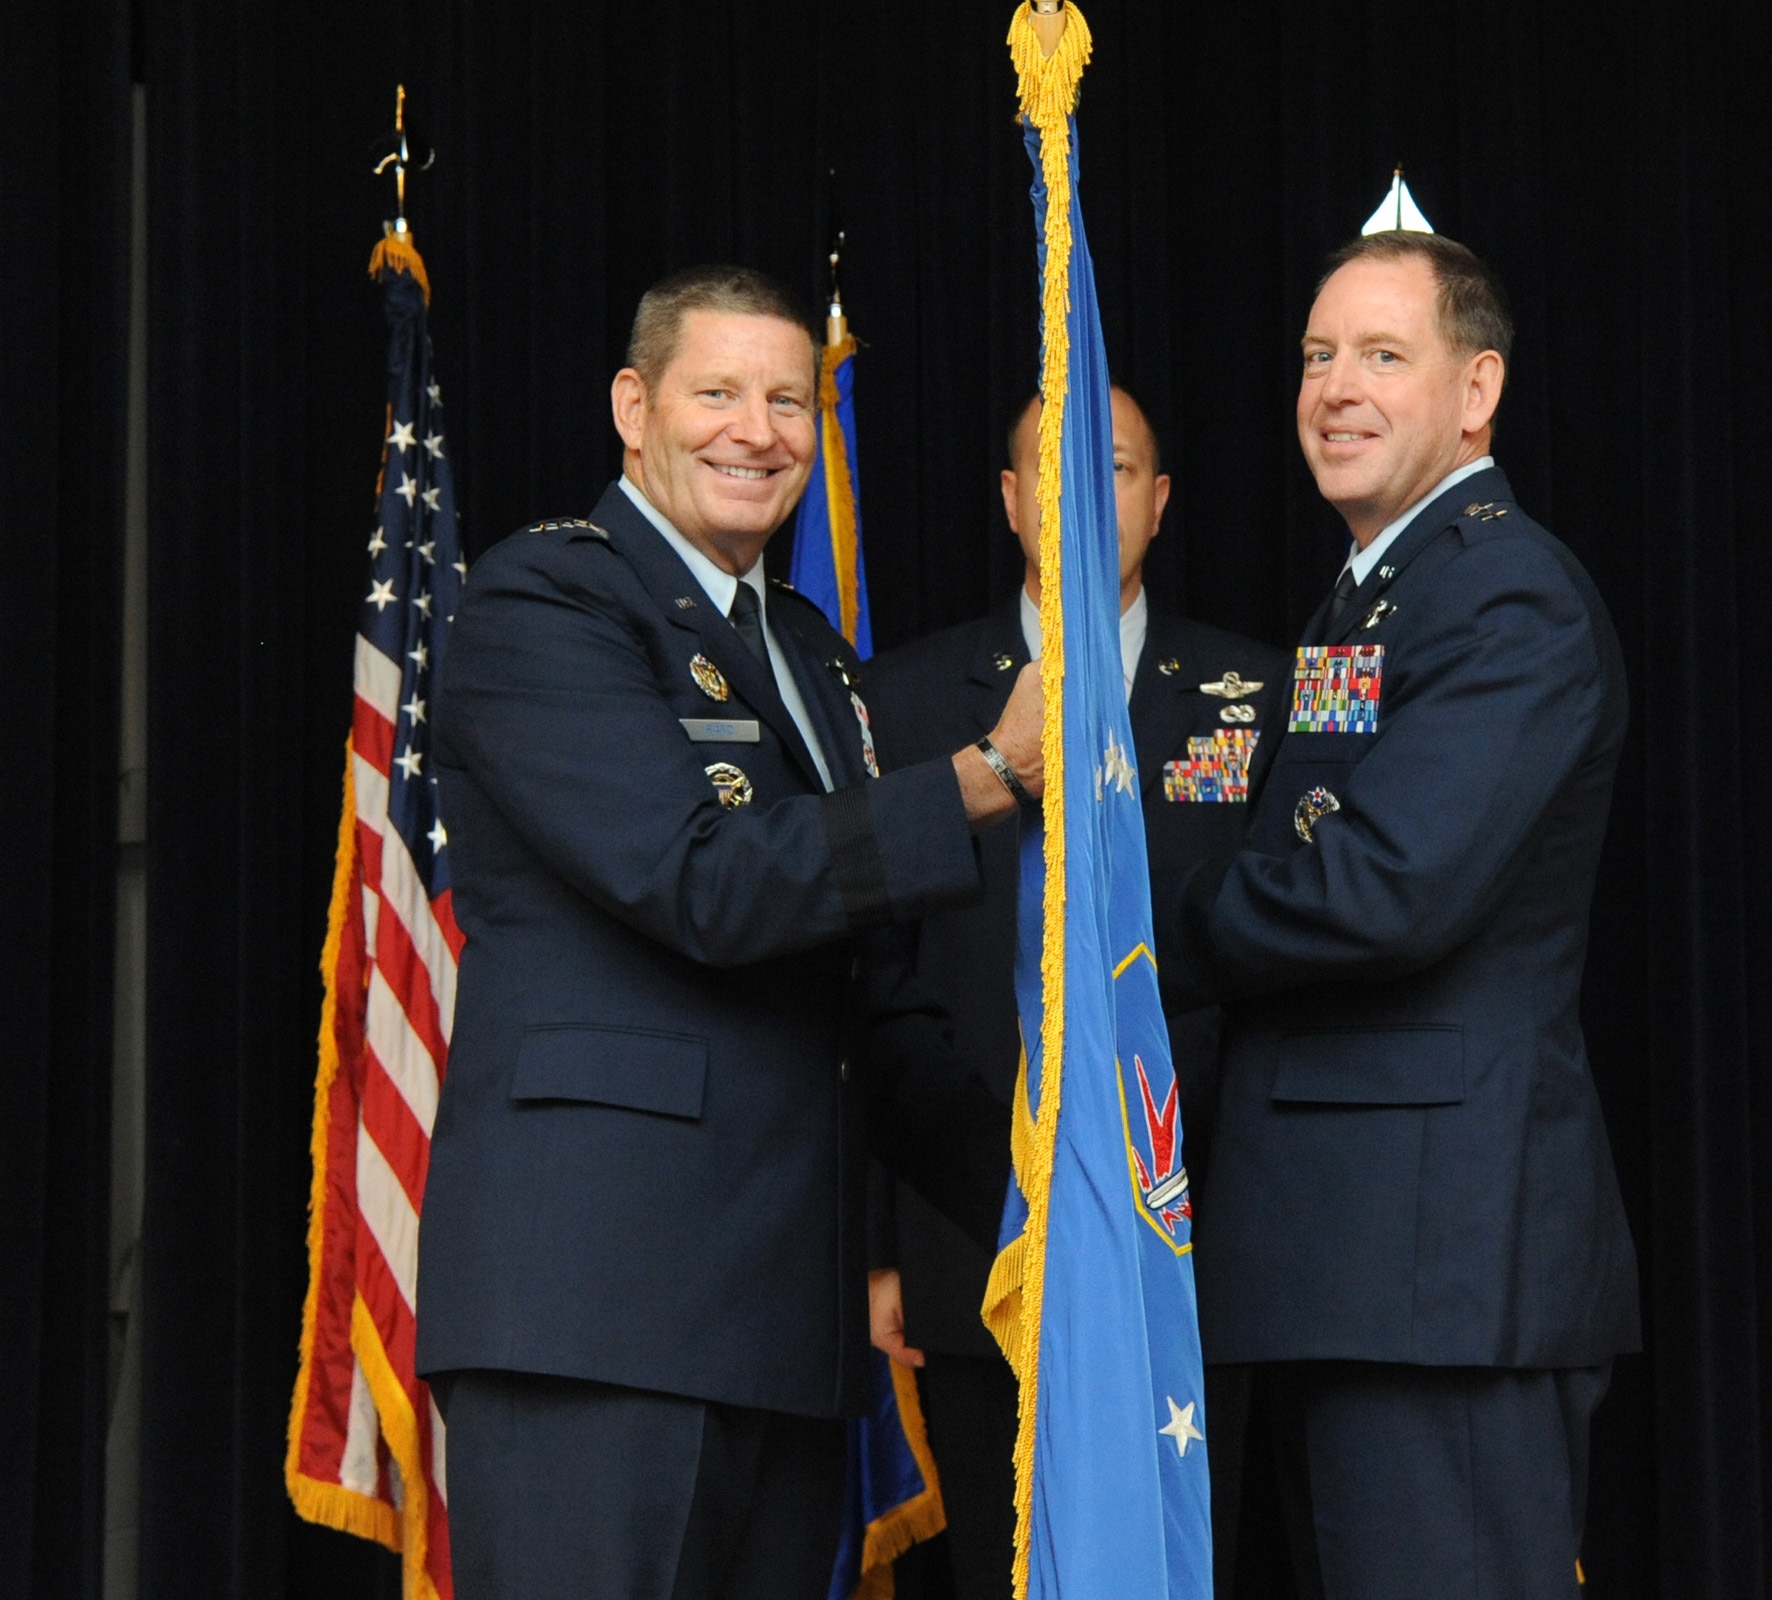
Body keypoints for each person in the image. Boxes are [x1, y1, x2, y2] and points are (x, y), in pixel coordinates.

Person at [417, 264, 1045, 1599]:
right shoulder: (542, 603)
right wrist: (987, 774)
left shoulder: (814, 656)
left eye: (789, 399)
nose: (756, 430)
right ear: (632, 407)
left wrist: (1050, 1208)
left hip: (781, 1334)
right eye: (717, 393)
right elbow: (698, 880)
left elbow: (863, 995)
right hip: (598, 1318)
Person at [1155, 232, 1641, 1598]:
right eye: (1318, 356)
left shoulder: (1505, 593)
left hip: (1436, 1272)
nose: (1336, 388)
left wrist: (1140, 935)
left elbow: (1383, 890)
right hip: (1356, 1258)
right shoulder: (1374, 596)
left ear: (1476, 390)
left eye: (1382, 355)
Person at [864, 384, 1286, 1599]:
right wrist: (885, 1247)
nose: (1079, 495)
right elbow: (876, 983)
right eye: (1049, 469)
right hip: (977, 1232)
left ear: (1156, 501)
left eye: (1110, 469)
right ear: (1007, 503)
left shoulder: (1259, 695)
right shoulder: (900, 700)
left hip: (1199, 1238)